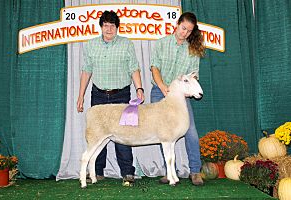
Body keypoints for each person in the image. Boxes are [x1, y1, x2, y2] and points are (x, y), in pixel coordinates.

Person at [77, 10, 145, 185]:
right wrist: (80, 95)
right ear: (100, 26)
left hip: (121, 94)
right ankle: (97, 172)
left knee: (124, 133)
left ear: (117, 27)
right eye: (105, 25)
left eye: (112, 25)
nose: (109, 29)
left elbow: (133, 68)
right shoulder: (91, 45)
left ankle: (128, 172)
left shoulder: (126, 44)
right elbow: (87, 70)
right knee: (97, 134)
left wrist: (139, 88)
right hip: (98, 94)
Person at [150, 12, 205, 186]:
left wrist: (188, 89)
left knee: (191, 132)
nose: (185, 33)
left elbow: (194, 75)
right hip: (160, 91)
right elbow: (155, 67)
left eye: (189, 31)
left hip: (180, 96)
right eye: (183, 28)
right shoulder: (161, 43)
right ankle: (169, 172)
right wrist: (162, 86)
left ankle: (195, 171)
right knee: (163, 133)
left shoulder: (193, 50)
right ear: (177, 24)